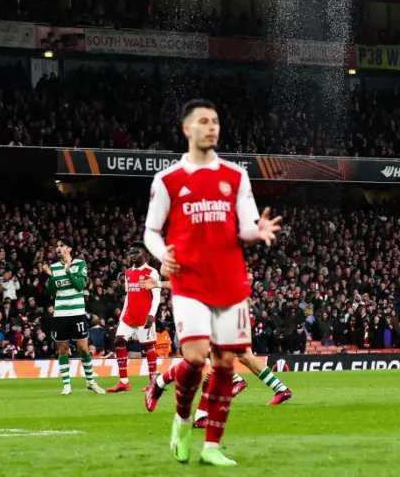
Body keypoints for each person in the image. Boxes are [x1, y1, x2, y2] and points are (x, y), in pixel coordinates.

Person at [141, 99, 282, 467]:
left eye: (216, 121)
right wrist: (162, 255)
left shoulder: (236, 176)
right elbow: (151, 232)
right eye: (203, 121)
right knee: (195, 356)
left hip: (231, 281)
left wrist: (258, 231)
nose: (211, 127)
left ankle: (213, 446)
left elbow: (247, 224)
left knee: (223, 364)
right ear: (187, 129)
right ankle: (182, 420)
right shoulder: (168, 180)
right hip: (189, 281)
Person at [42, 239, 106, 395]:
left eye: (61, 245)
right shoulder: (54, 267)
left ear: (69, 248)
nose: (58, 248)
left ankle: (90, 382)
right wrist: (50, 276)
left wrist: (68, 270)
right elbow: (51, 292)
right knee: (62, 350)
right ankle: (66, 385)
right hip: (60, 314)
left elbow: (79, 285)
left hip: (77, 313)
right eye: (56, 246)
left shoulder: (80, 264)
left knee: (83, 349)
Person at [108, 245, 164, 393]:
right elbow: (128, 296)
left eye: (136, 252)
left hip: (144, 317)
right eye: (131, 252)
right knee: (118, 341)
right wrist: (122, 316)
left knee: (148, 347)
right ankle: (124, 381)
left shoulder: (152, 272)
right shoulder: (127, 273)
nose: (133, 255)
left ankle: (153, 382)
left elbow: (157, 296)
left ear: (144, 253)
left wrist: (152, 315)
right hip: (129, 316)